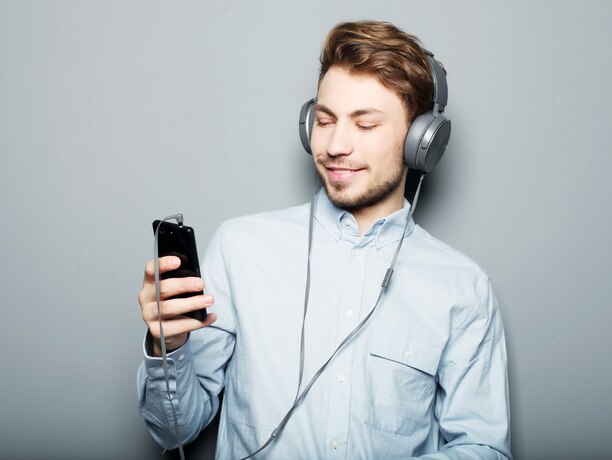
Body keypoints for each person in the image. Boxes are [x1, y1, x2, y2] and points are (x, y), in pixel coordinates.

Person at [137, 20, 511, 459]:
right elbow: (173, 433)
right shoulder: (240, 249)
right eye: (326, 120)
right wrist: (169, 345)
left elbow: (483, 449)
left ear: (420, 141)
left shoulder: (463, 288)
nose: (335, 145)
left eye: (365, 125)